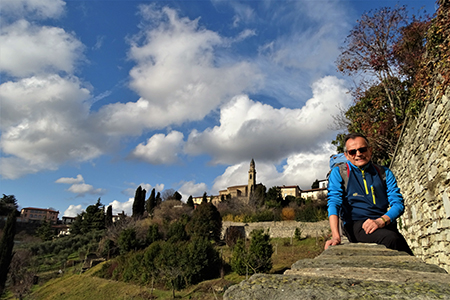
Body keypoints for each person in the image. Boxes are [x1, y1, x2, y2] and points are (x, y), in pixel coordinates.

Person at [325, 133, 413, 255]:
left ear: (370, 150)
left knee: (399, 245)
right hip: (356, 224)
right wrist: (336, 236)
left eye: (362, 149)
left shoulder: (384, 173)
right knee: (391, 239)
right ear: (346, 155)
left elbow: (398, 204)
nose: (358, 154)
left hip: (383, 222)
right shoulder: (339, 173)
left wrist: (380, 221)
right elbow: (334, 202)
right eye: (352, 152)